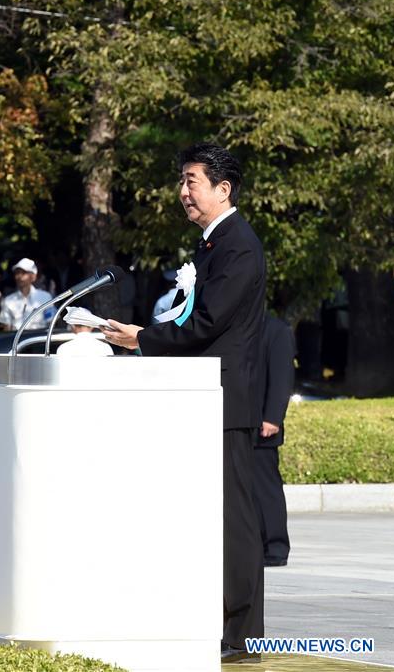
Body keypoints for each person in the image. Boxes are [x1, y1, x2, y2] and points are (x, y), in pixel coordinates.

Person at [102, 143, 266, 663]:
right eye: (182, 181)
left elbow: (208, 322)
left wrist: (143, 338)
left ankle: (244, 636)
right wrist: (145, 334)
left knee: (234, 520)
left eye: (191, 181)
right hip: (201, 397)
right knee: (211, 517)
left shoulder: (237, 245)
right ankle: (215, 624)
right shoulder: (211, 245)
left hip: (225, 400)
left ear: (224, 189)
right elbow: (192, 317)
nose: (183, 192)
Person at [255, 315, 295, 567]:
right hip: (241, 419)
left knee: (266, 489)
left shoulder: (276, 329)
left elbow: (282, 378)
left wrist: (273, 417)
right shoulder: (236, 324)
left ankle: (276, 546)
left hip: (263, 424)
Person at [0, 258, 54, 331]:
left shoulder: (46, 297)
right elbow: (5, 328)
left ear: (33, 277)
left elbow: (52, 322)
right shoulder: (8, 300)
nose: (19, 276)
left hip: (41, 339)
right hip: (17, 341)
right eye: (17, 273)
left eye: (24, 273)